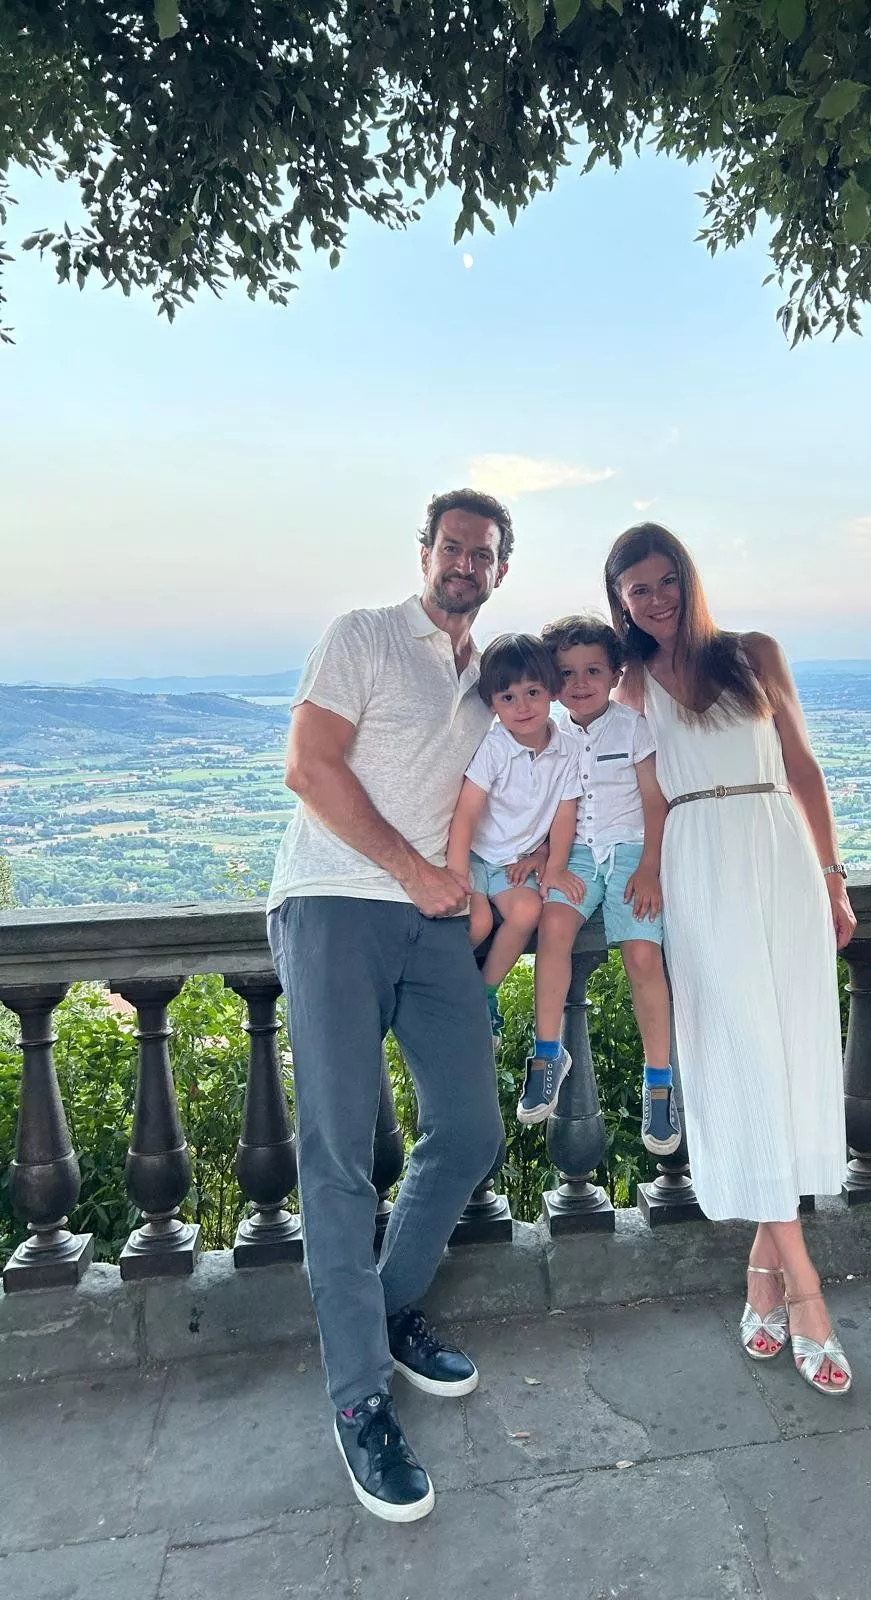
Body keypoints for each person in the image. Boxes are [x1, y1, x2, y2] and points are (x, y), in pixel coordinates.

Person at [266, 488, 513, 1523]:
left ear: (500, 570)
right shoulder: (364, 636)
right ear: (426, 554)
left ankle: (388, 1306)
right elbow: (308, 766)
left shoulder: (493, 678)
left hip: (437, 919)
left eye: (483, 552)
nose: (464, 563)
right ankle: (360, 1396)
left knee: (468, 1130)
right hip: (336, 902)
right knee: (336, 1155)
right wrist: (412, 870)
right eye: (451, 546)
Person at [604, 522, 858, 1396]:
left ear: (688, 578)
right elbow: (629, 779)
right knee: (742, 1058)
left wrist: (832, 878)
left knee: (781, 1061)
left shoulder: (754, 654)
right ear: (620, 601)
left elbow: (805, 771)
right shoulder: (630, 680)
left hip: (779, 857)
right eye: (636, 588)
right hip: (699, 862)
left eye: (665, 578)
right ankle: (809, 1295)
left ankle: (761, 1278)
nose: (654, 597)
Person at [534, 614, 680, 1156]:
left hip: (629, 852)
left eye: (592, 670)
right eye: (566, 672)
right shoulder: (548, 733)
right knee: (553, 931)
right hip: (572, 854)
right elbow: (545, 803)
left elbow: (653, 800)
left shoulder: (632, 726)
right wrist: (538, 854)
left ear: (615, 672)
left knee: (643, 956)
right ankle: (548, 1051)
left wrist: (650, 867)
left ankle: (659, 1081)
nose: (579, 682)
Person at [445, 633, 583, 1110]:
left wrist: (551, 862)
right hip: (475, 856)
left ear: (551, 692)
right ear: (493, 704)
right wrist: (458, 877)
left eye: (533, 693)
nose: (522, 706)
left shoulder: (567, 748)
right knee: (477, 923)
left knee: (527, 911)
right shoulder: (496, 747)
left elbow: (565, 814)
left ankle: (484, 995)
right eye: (508, 697)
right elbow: (466, 814)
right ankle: (454, 998)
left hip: (515, 861)